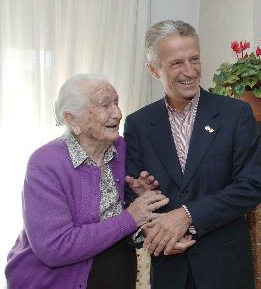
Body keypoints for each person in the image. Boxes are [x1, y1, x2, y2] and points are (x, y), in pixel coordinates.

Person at [124, 20, 261, 289]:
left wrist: (187, 215)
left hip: (225, 268)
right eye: (176, 63)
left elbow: (252, 187)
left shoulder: (235, 115)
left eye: (195, 59)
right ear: (154, 69)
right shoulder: (138, 124)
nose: (190, 71)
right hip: (169, 267)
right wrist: (150, 223)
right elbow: (131, 193)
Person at [5, 74, 170, 289]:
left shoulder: (120, 147)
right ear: (73, 119)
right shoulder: (45, 163)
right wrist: (130, 217)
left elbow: (115, 210)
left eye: (116, 103)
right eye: (105, 105)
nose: (118, 114)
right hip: (55, 281)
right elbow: (55, 248)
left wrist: (137, 194)